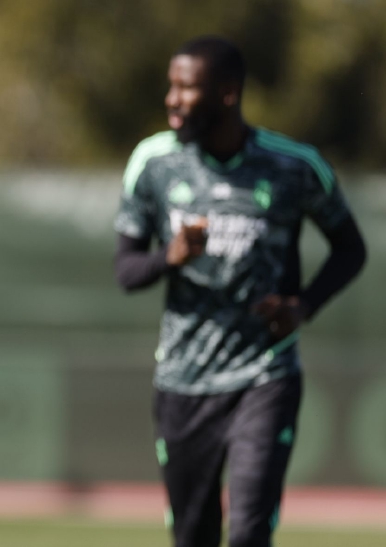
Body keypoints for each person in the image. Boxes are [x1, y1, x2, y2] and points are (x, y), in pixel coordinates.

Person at [114, 36, 366, 547]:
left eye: (186, 88)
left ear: (227, 93)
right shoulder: (153, 162)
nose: (171, 99)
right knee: (194, 537)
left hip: (265, 373)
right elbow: (126, 270)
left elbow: (350, 249)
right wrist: (170, 256)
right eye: (170, 86)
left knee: (249, 531)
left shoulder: (295, 166)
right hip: (183, 382)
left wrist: (304, 306)